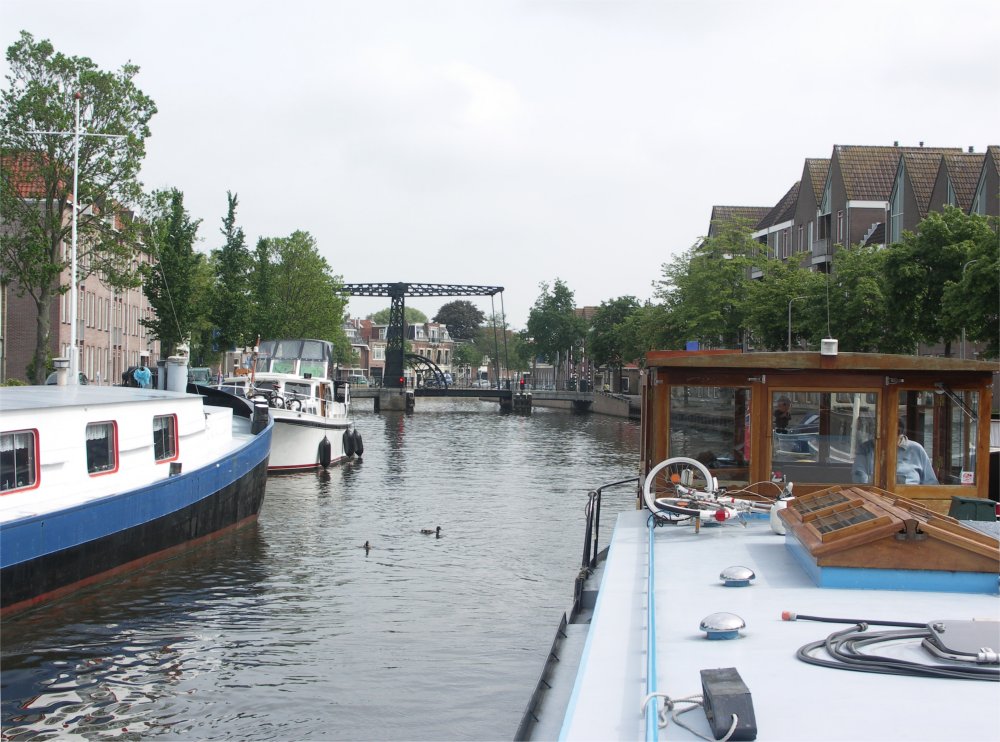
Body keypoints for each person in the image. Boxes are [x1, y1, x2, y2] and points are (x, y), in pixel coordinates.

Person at [852, 421, 938, 485]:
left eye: (892, 437)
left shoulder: (916, 449)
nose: (887, 442)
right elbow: (860, 480)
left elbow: (931, 484)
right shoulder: (866, 448)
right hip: (874, 499)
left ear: (900, 435)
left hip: (910, 499)